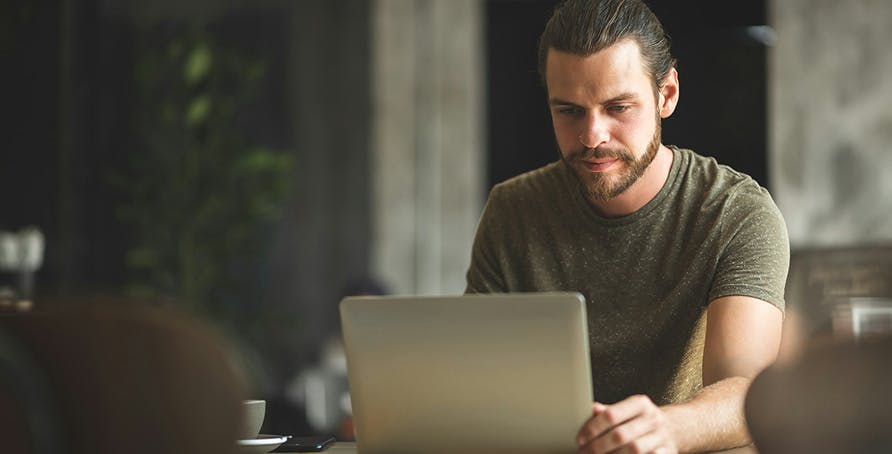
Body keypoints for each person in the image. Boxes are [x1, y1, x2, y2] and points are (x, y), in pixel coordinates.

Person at [465, 0, 789, 452]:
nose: (593, 136)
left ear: (667, 95)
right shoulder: (511, 211)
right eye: (569, 111)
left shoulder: (735, 213)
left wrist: (664, 428)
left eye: (618, 108)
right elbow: (472, 378)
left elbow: (749, 394)